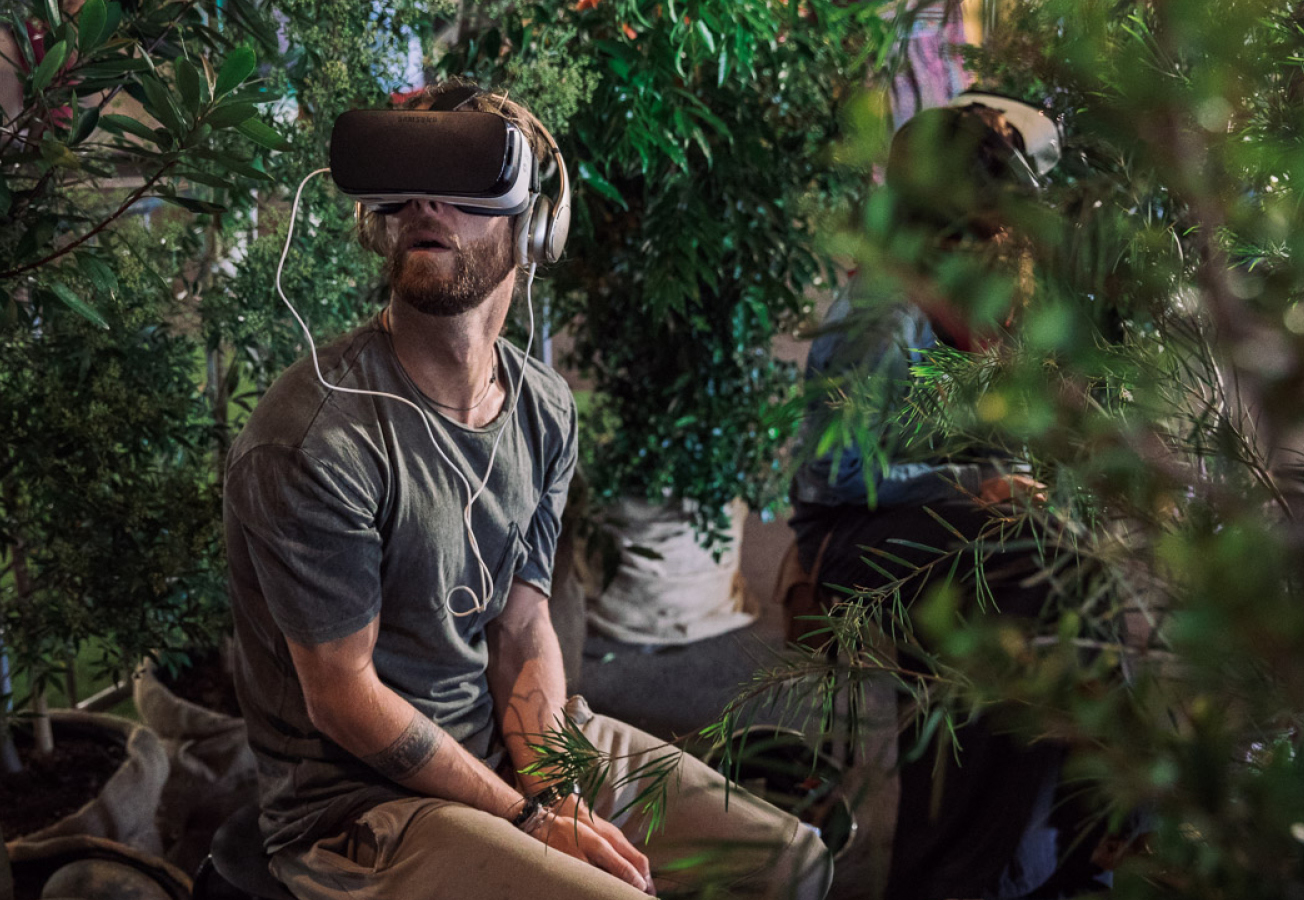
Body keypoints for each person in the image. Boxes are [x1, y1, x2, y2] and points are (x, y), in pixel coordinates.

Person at [224, 80, 832, 900]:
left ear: (534, 224)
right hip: (359, 812)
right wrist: (529, 822)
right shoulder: (317, 437)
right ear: (377, 217)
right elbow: (343, 698)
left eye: (467, 175)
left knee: (788, 862)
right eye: (407, 178)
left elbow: (522, 622)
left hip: (506, 751)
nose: (427, 202)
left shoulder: (543, 406)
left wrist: (556, 787)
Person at [788, 96, 1134, 899]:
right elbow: (834, 477)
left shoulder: (970, 296)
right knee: (1036, 569)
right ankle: (1089, 821)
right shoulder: (882, 313)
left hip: (945, 528)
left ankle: (1074, 843)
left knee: (1058, 578)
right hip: (855, 536)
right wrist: (975, 483)